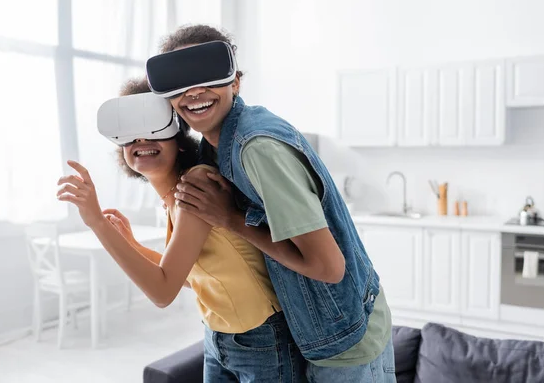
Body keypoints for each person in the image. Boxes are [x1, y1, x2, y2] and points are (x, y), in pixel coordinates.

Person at [152, 25, 396, 382]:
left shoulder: (257, 148)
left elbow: (329, 267)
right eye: (180, 83)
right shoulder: (213, 148)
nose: (194, 92)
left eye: (208, 76)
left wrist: (232, 219)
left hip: (344, 337)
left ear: (235, 81)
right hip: (305, 331)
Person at [56, 78, 307, 382]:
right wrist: (131, 243)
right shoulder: (173, 196)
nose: (142, 142)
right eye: (131, 137)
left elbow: (163, 292)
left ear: (178, 134)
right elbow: (188, 278)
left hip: (263, 340)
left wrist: (96, 222)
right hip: (219, 337)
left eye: (153, 130)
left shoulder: (197, 186)